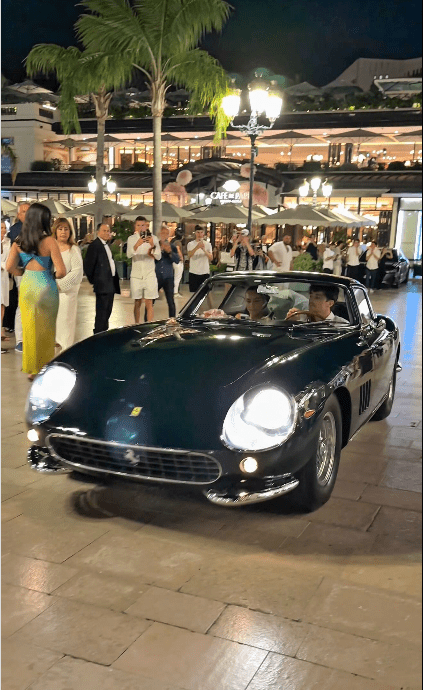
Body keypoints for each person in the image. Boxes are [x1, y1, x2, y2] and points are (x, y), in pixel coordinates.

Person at [5, 203, 66, 379]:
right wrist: (51, 275)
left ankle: (32, 370)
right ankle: (44, 368)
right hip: (46, 284)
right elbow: (61, 271)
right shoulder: (49, 241)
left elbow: (9, 267)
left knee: (29, 328)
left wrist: (22, 272)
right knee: (46, 329)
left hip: (27, 284)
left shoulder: (18, 241)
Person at [52, 217, 83, 351]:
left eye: (66, 229)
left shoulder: (73, 249)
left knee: (65, 325)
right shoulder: (50, 248)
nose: (63, 232)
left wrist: (60, 285)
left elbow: (77, 272)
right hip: (50, 292)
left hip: (66, 294)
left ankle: (66, 353)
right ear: (55, 230)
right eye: (60, 229)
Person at [83, 222, 121, 334]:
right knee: (102, 313)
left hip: (110, 284)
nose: (107, 233)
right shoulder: (95, 246)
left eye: (108, 231)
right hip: (102, 285)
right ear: (98, 232)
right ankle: (98, 334)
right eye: (104, 231)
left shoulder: (106, 245)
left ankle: (104, 333)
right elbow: (88, 265)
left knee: (107, 311)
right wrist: (95, 281)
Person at [4, 200, 31, 351]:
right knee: (23, 305)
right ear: (18, 215)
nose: (27, 214)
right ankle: (20, 340)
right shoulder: (14, 231)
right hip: (22, 270)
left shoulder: (39, 228)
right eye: (24, 211)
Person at [126, 216, 161, 323]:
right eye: (138, 225)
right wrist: (137, 244)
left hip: (150, 274)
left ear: (146, 226)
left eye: (143, 225)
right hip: (136, 275)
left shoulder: (154, 238)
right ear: (135, 226)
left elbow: (158, 257)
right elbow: (128, 255)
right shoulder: (131, 239)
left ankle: (149, 324)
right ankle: (136, 324)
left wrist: (152, 245)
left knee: (149, 302)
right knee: (137, 302)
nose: (141, 227)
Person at [155, 225, 180, 318]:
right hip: (156, 276)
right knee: (150, 300)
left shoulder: (172, 247)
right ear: (159, 234)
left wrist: (170, 252)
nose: (164, 235)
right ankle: (147, 320)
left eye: (166, 233)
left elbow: (177, 260)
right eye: (162, 233)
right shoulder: (155, 246)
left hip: (168, 277)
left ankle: (172, 319)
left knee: (170, 301)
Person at [187, 226, 212, 292]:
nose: (200, 234)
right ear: (195, 233)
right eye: (198, 232)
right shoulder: (190, 244)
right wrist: (197, 247)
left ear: (203, 233)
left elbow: (211, 258)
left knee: (206, 292)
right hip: (193, 272)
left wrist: (204, 250)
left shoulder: (208, 244)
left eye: (201, 232)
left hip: (205, 272)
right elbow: (189, 255)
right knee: (193, 292)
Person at [1, 221, 11, 352]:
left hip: (3, 278)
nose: (3, 230)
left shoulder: (8, 242)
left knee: (2, 306)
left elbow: (10, 259)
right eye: (1, 228)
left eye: (4, 227)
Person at [172, 227, 185, 295]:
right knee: (177, 277)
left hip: (173, 260)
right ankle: (175, 292)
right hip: (178, 261)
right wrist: (181, 258)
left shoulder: (172, 240)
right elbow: (178, 249)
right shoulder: (178, 242)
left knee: (175, 276)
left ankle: (174, 291)